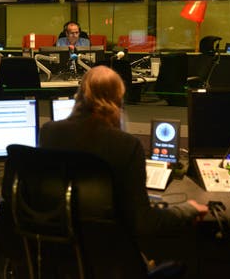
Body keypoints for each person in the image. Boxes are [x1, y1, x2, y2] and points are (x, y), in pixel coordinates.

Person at [39, 66, 208, 239]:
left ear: (79, 95)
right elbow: (144, 222)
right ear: (117, 102)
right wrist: (186, 210)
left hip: (59, 249)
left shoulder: (49, 132)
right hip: (111, 254)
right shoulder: (127, 145)